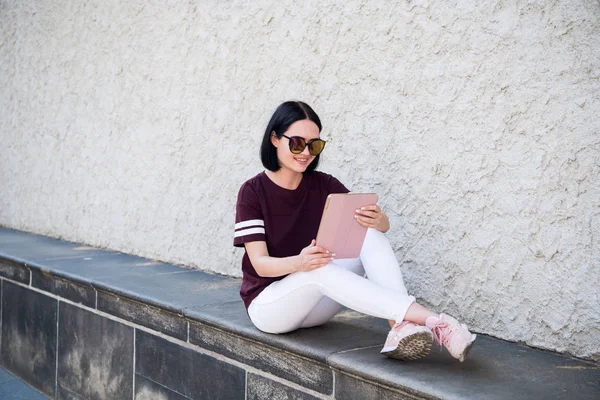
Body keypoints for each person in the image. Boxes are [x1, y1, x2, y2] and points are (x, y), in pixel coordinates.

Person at [233, 101, 476, 361]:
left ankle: (399, 328)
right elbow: (260, 265)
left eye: (314, 145)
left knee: (366, 232)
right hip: (270, 307)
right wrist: (300, 263)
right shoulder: (253, 192)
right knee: (319, 268)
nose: (305, 152)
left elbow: (376, 229)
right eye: (296, 143)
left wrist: (379, 219)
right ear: (274, 139)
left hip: (316, 305)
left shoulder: (324, 184)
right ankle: (436, 322)